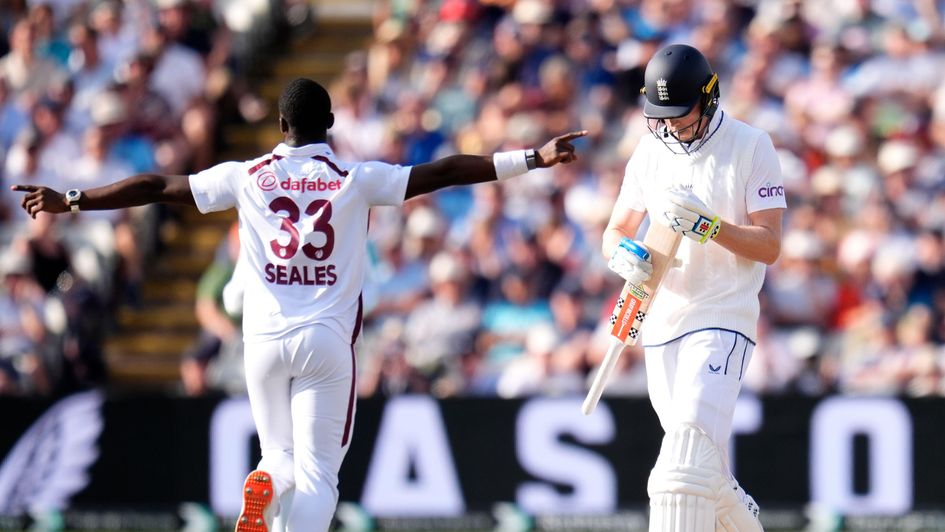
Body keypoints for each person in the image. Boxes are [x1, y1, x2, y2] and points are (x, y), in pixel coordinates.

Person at [13, 77, 585, 532]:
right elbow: (445, 172)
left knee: (278, 460)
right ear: (330, 126)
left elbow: (159, 186)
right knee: (319, 479)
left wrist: (73, 199)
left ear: (280, 124)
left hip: (261, 344)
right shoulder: (356, 178)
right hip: (326, 344)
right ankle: (277, 490)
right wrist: (530, 157)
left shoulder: (245, 176)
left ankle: (267, 479)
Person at [603, 44, 785, 531]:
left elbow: (769, 246)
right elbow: (615, 230)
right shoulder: (650, 149)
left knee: (680, 469)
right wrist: (622, 253)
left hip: (723, 317)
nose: (671, 129)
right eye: (660, 119)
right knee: (702, 474)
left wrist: (710, 227)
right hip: (660, 322)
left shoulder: (751, 145)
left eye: (680, 118)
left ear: (709, 98)